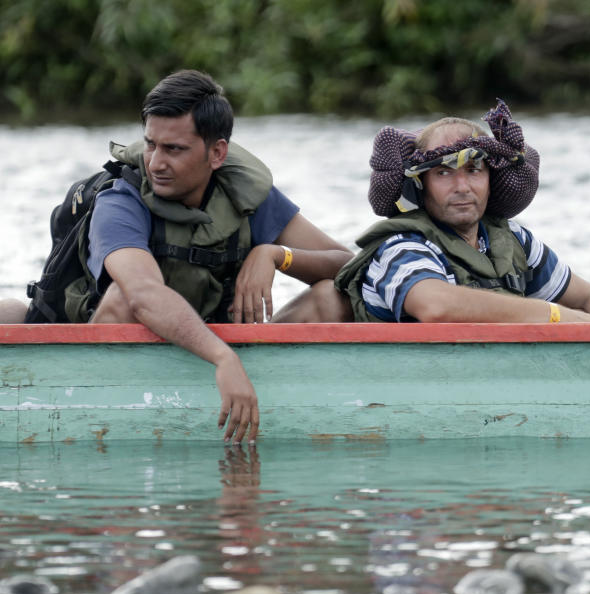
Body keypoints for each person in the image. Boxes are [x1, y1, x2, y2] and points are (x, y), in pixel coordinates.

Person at [3, 70, 354, 443]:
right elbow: (141, 294)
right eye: (151, 145)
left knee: (330, 295)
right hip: (111, 356)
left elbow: (350, 266)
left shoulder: (246, 197)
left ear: (217, 153)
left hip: (209, 344)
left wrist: (276, 255)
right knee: (122, 297)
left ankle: (271, 404)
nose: (156, 163)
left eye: (174, 149)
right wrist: (223, 358)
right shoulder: (121, 200)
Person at [334, 100, 590, 323]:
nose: (462, 187)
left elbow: (588, 299)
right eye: (444, 174)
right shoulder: (402, 246)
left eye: (474, 170)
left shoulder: (515, 240)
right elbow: (436, 307)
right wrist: (554, 315)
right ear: (421, 185)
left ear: (490, 180)